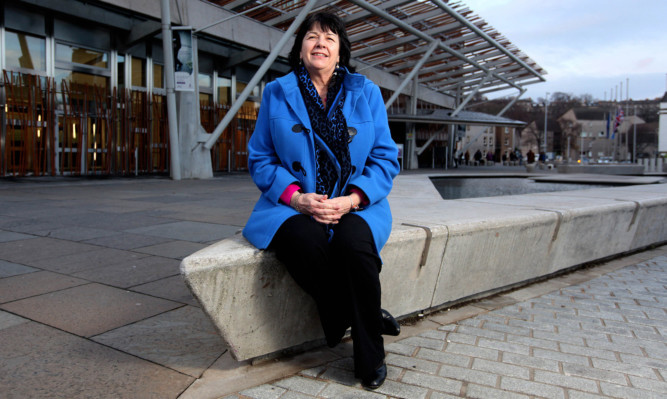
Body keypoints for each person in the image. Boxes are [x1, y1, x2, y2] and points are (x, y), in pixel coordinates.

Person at [242, 12, 400, 390]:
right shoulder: (277, 92)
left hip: (354, 201)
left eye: (330, 38)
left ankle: (370, 358)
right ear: (300, 50)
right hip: (296, 202)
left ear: (340, 51)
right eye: (312, 36)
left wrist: (352, 199)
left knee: (354, 247)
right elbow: (260, 158)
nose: (320, 44)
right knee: (302, 242)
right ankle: (365, 315)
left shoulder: (367, 92)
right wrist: (296, 199)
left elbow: (385, 157)